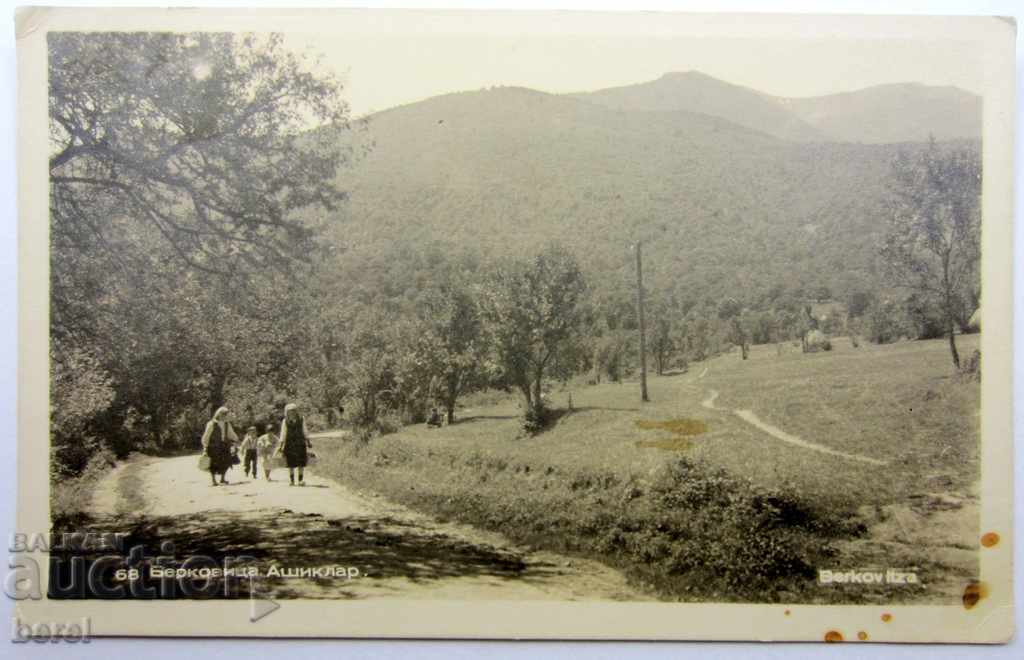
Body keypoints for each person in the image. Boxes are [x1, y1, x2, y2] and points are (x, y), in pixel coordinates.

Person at [200, 406, 238, 486]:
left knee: (226, 461)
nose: (225, 416)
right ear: (219, 414)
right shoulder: (211, 424)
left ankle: (222, 479)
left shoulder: (227, 424)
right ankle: (213, 480)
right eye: (224, 414)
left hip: (224, 445)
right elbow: (206, 436)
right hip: (214, 446)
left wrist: (235, 440)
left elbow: (231, 434)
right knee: (213, 463)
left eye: (226, 414)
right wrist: (205, 446)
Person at [278, 403, 312, 486]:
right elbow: (283, 434)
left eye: (293, 411)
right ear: (287, 412)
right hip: (289, 443)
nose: (292, 413)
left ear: (296, 411)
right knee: (290, 463)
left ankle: (300, 480)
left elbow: (305, 431)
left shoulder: (301, 419)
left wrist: (308, 441)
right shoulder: (285, 421)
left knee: (301, 463)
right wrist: (281, 445)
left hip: (300, 443)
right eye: (290, 411)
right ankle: (292, 480)